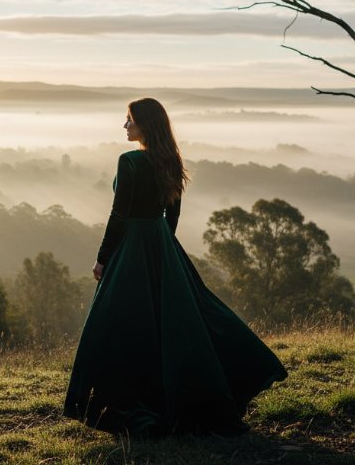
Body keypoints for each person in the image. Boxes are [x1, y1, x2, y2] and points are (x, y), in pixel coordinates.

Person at [63, 98, 286, 437]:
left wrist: (103, 257)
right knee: (183, 321)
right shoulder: (172, 160)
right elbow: (173, 215)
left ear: (146, 125)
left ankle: (131, 401)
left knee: (119, 323)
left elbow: (119, 215)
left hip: (133, 246)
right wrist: (163, 249)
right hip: (162, 244)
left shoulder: (130, 162)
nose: (125, 127)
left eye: (130, 121)